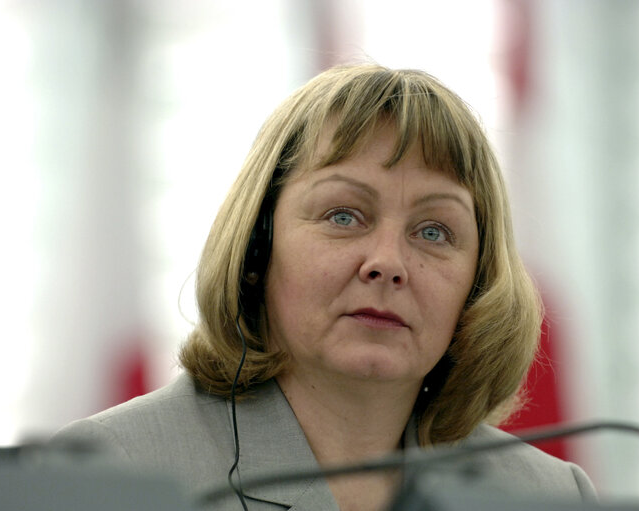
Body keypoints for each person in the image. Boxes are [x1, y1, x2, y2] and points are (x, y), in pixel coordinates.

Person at [53, 64, 596, 510]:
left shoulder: (549, 498)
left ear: (476, 287)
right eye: (344, 215)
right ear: (257, 247)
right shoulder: (108, 474)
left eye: (434, 231)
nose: (388, 264)